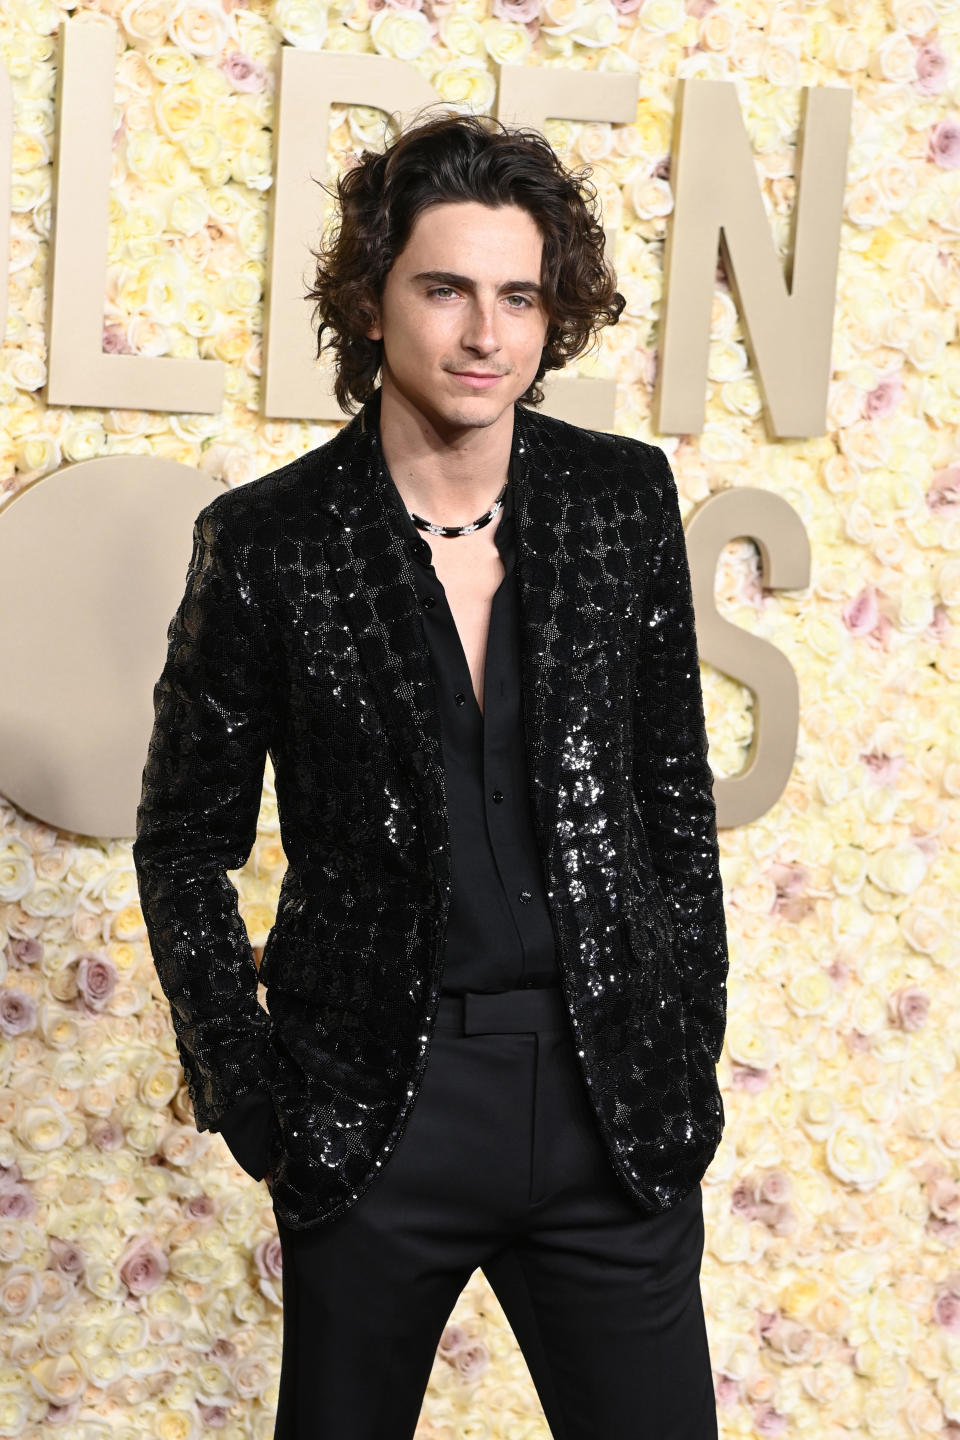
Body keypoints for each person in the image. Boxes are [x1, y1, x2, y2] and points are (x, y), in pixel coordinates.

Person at [133, 108, 728, 1440]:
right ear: (374, 298)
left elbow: (674, 810)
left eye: (519, 295)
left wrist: (682, 1048)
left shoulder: (620, 501)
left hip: (606, 1105)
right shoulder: (271, 544)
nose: (485, 333)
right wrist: (259, 1101)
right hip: (377, 1111)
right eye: (446, 287)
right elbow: (184, 841)